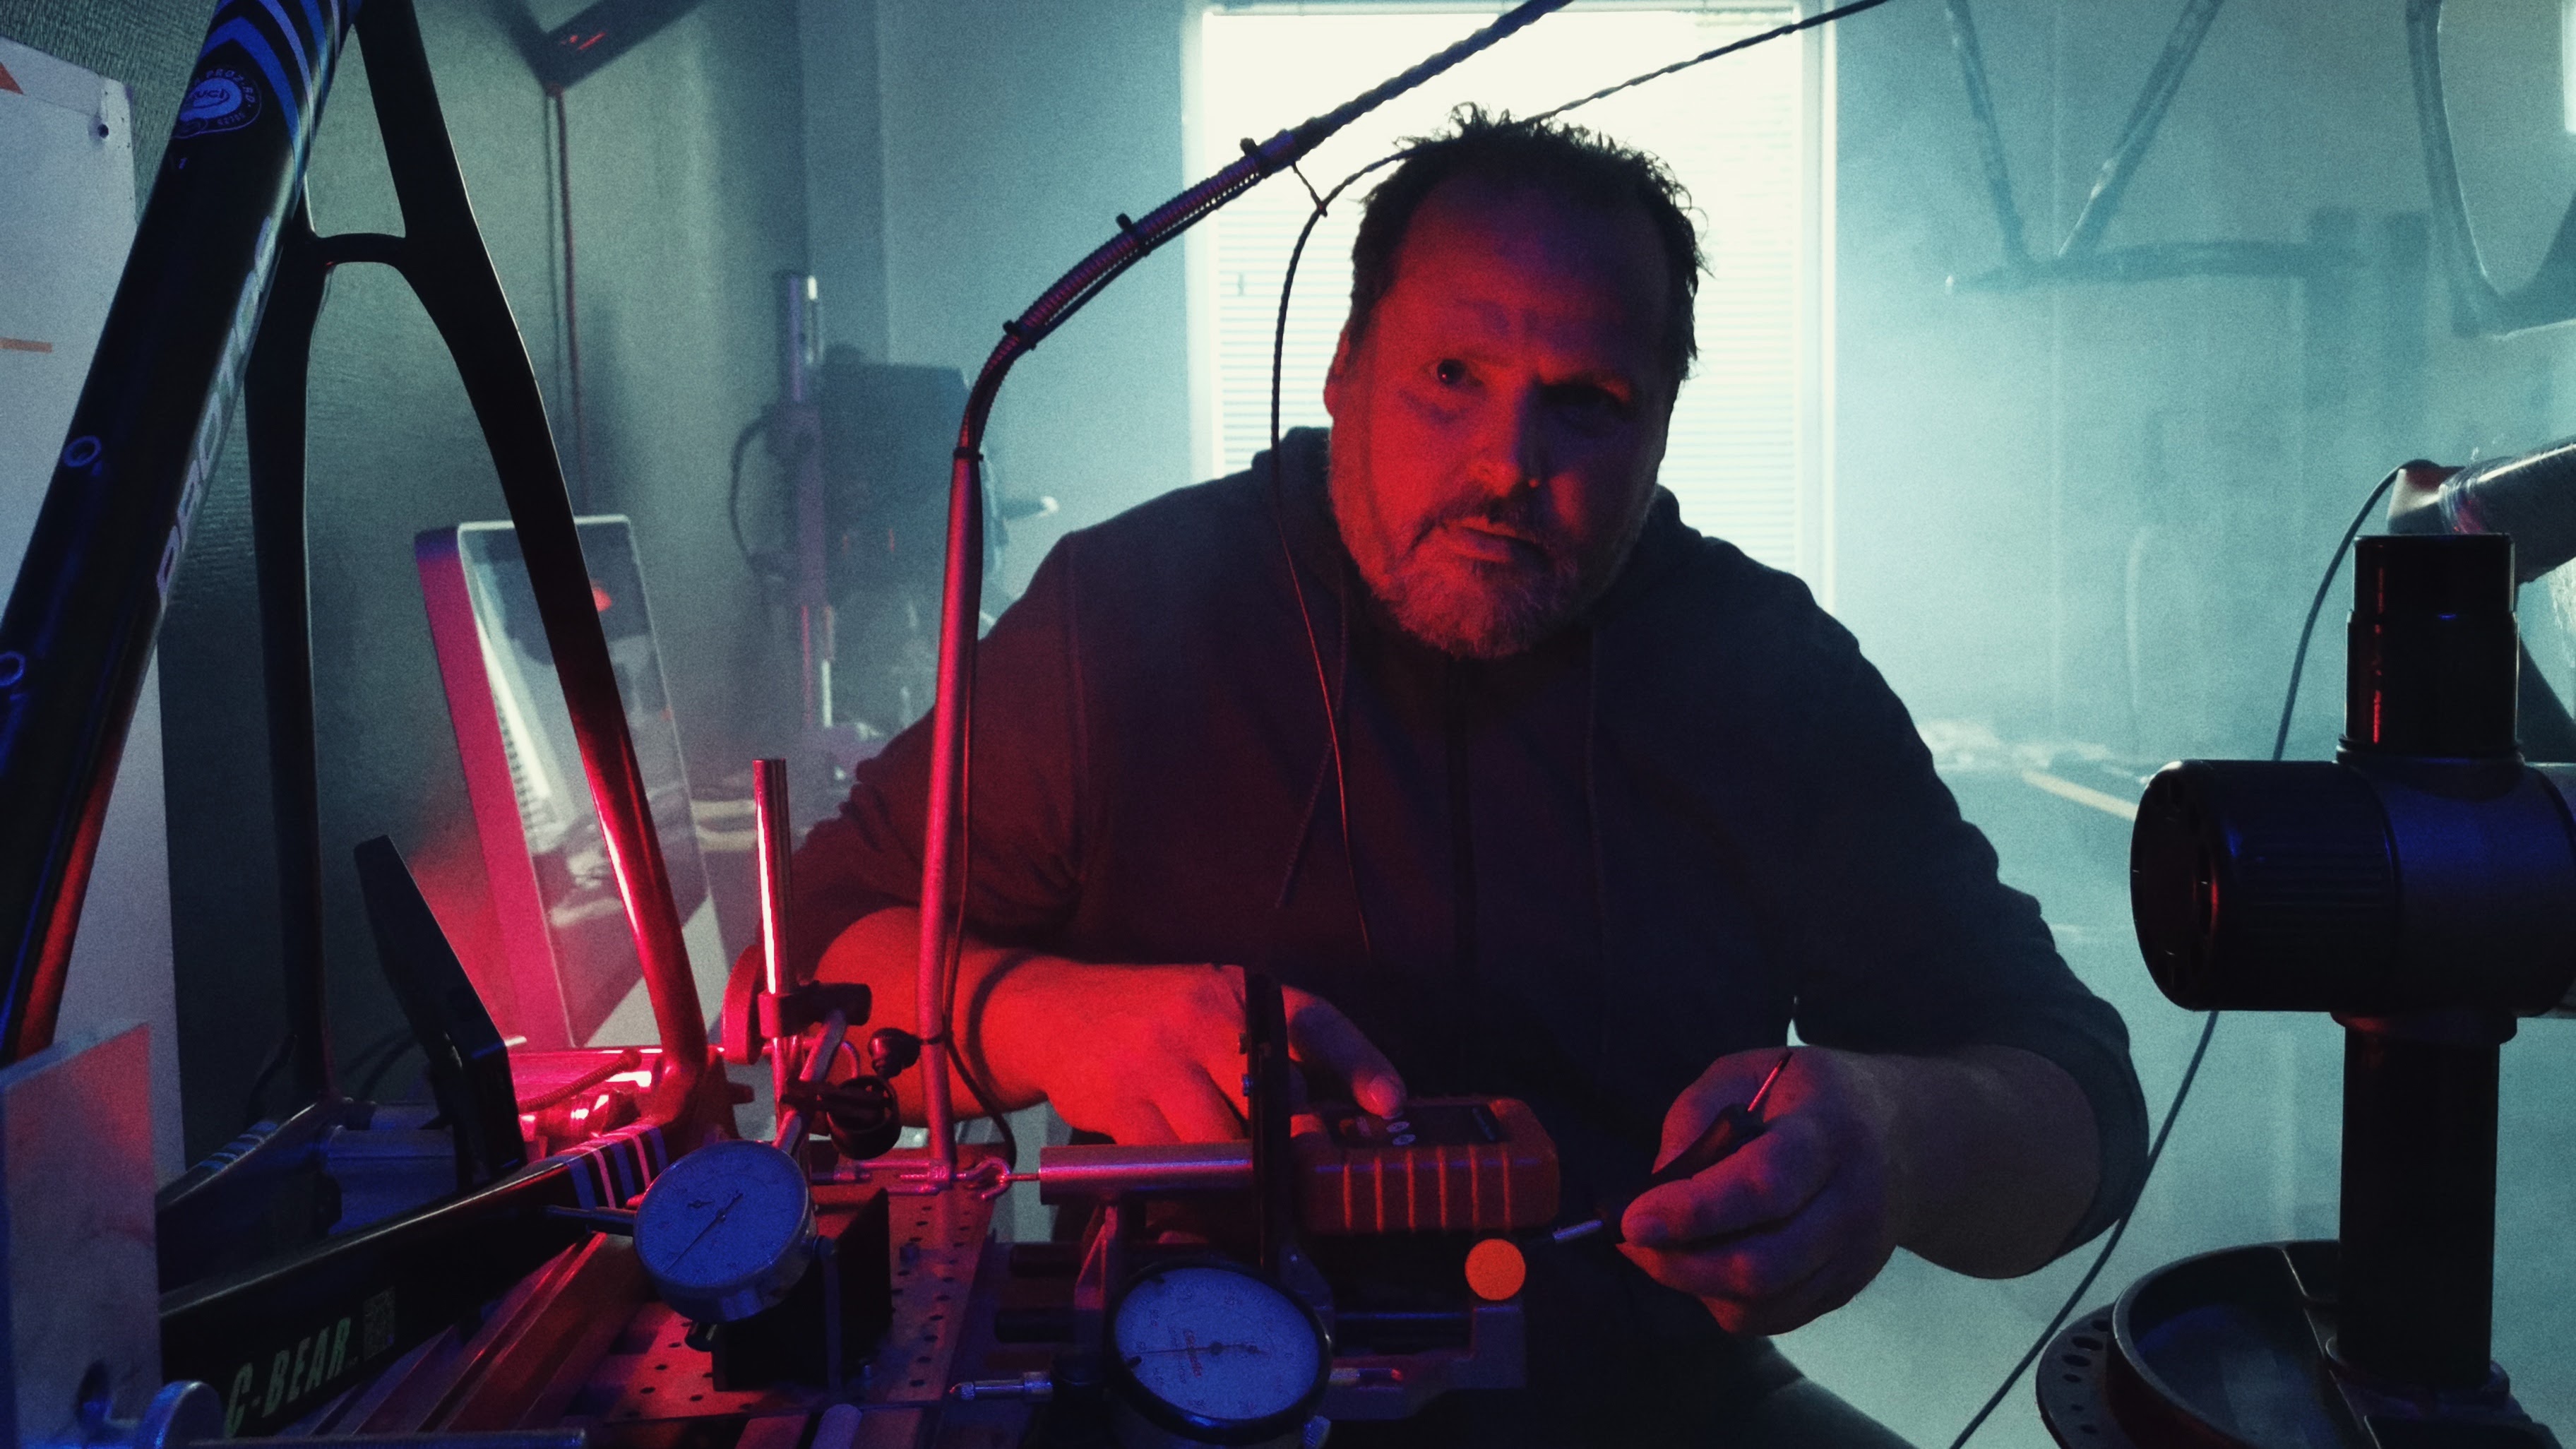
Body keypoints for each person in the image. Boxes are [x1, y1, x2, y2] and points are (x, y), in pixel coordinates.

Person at [768, 112, 2147, 1446]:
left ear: (1664, 427)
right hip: (1186, 1388)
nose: (1508, 464)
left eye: (1588, 404)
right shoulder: (1123, 617)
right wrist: (1047, 1019)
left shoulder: (1766, 669)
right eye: (1450, 376)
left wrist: (1899, 1140)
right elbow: (822, 954)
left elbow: (2082, 1108)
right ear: (1343, 369)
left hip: (1651, 1407)